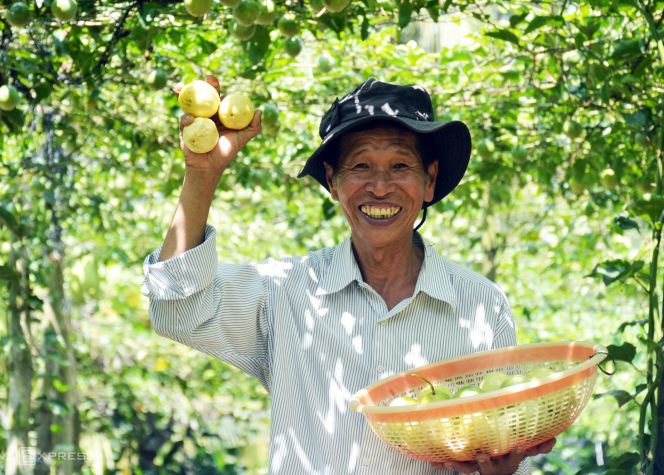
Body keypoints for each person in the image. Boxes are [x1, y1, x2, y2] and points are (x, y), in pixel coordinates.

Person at [141, 75, 556, 474]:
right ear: (333, 182)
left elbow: (510, 443)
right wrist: (203, 171)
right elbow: (178, 309)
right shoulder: (286, 291)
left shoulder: (481, 307)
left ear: (428, 181)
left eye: (399, 166)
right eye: (360, 165)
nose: (379, 187)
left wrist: (500, 469)